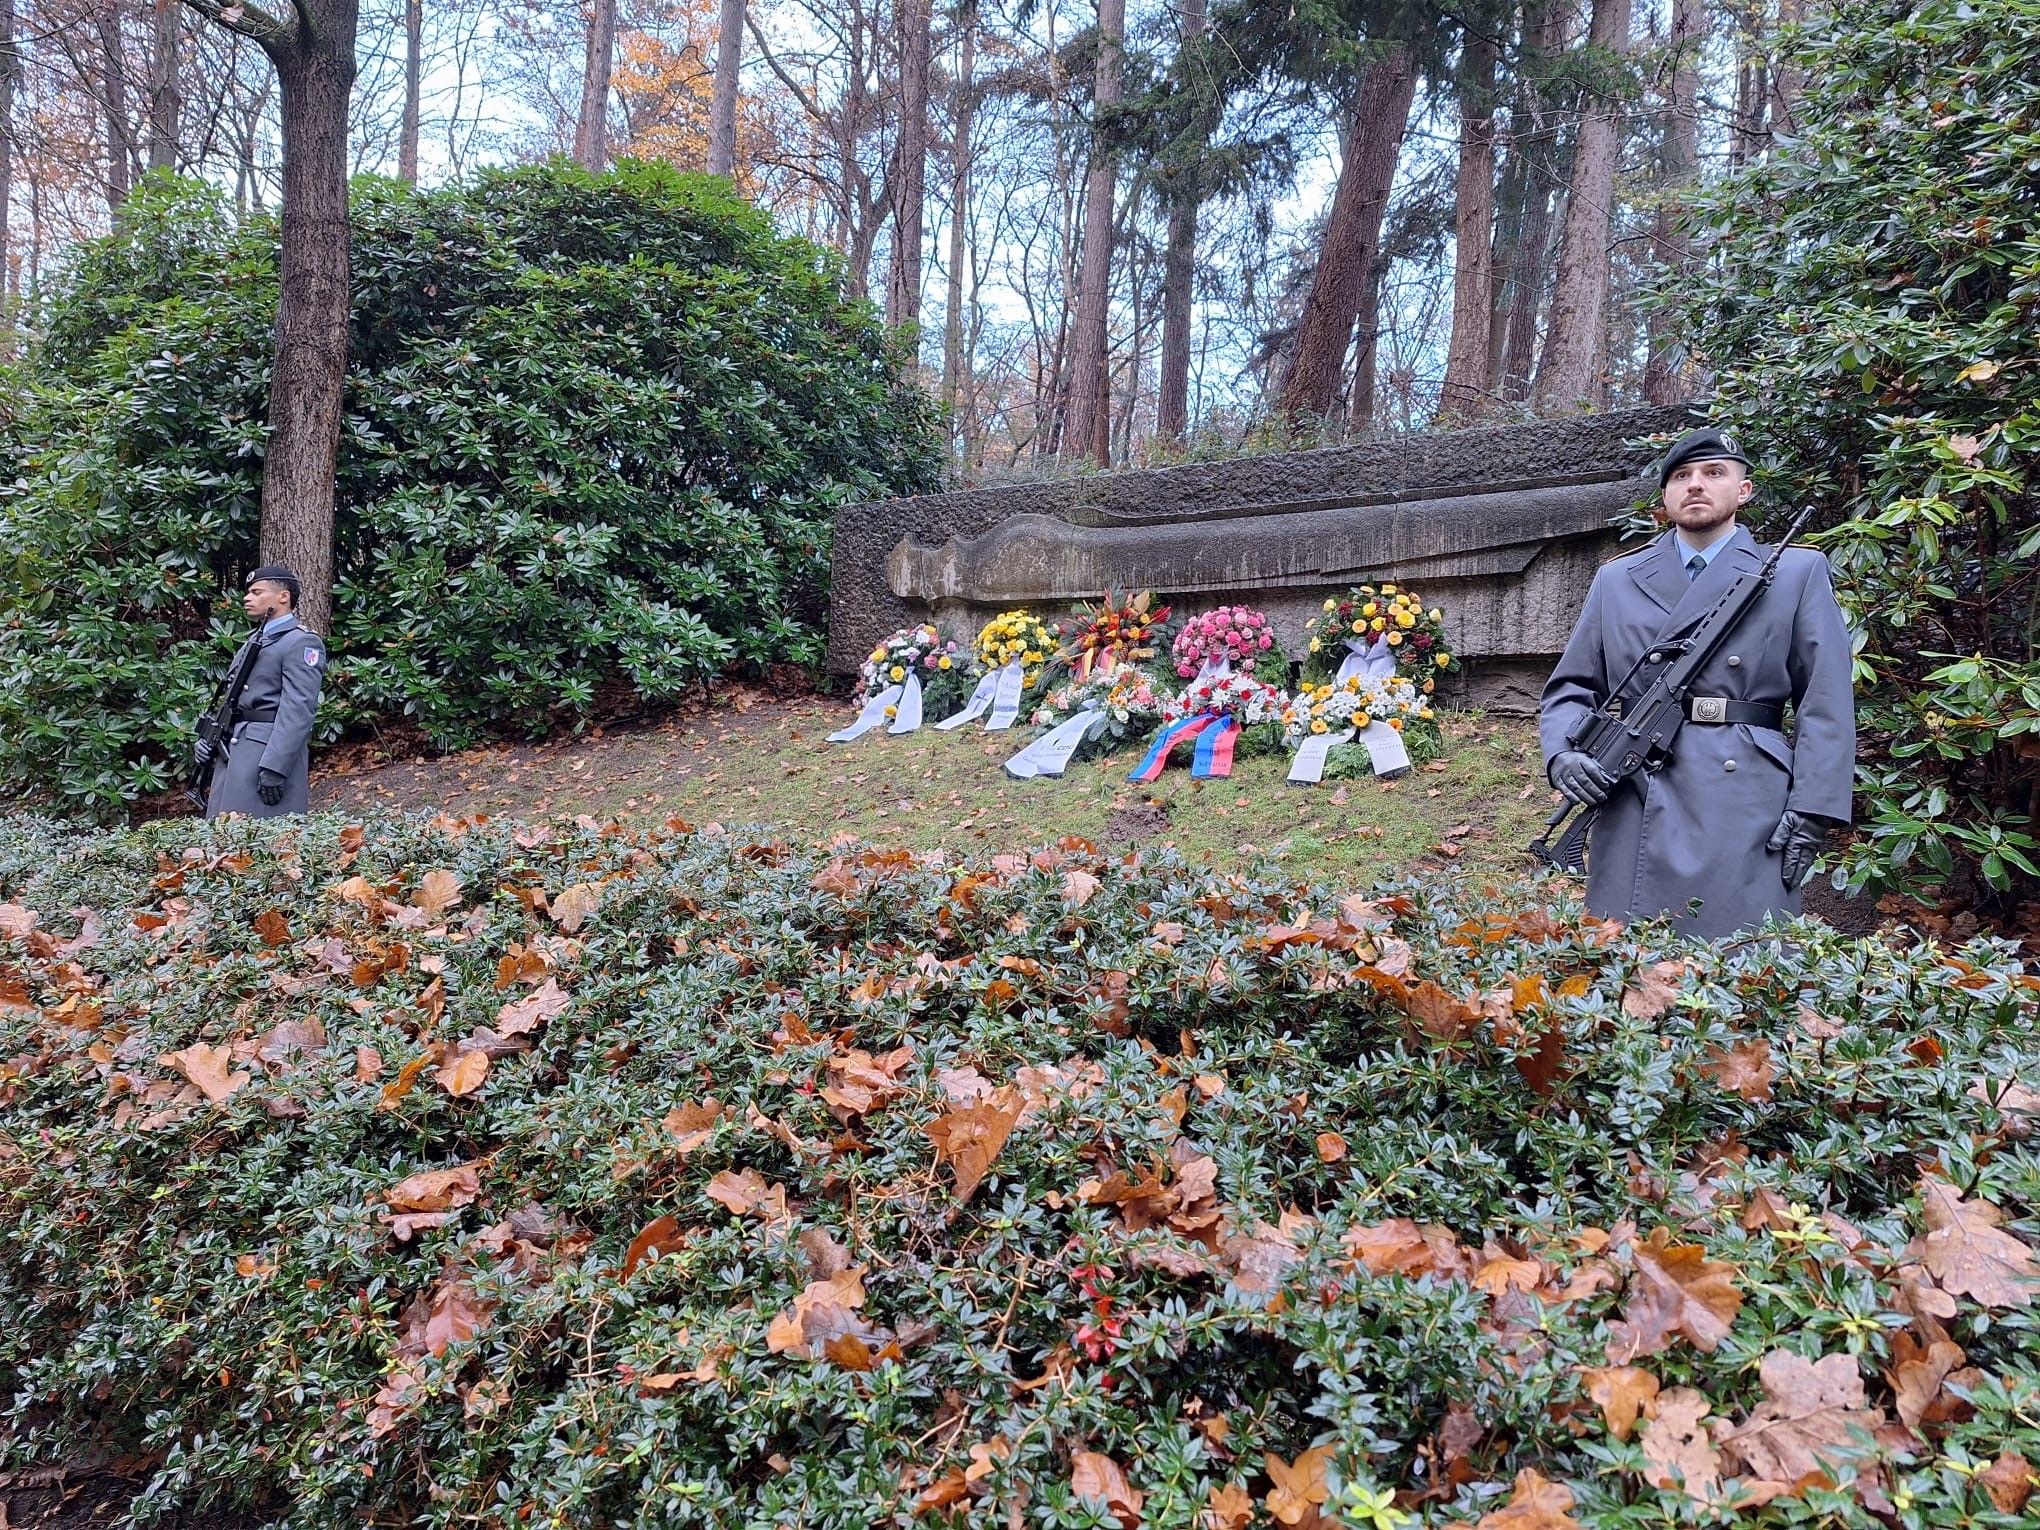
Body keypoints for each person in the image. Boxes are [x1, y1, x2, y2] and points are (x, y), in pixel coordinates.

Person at [1539, 427, 1855, 939]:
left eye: (1714, 473)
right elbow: (1571, 687)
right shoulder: (1617, 579)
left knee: (1739, 960)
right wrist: (1562, 755)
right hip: (1633, 783)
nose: (1696, 485)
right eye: (1681, 476)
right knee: (1630, 962)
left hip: (1747, 793)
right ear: (1665, 497)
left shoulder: (1795, 572)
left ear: (1743, 490)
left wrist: (1813, 807)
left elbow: (1826, 700)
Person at [198, 565, 328, 819]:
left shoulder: (301, 642)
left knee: (258, 836)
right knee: (224, 834)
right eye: (249, 592)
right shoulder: (254, 641)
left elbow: (298, 709)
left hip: (265, 754)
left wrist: (276, 766)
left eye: (257, 592)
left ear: (283, 596)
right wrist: (208, 739)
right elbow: (232, 701)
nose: (247, 598)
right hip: (235, 751)